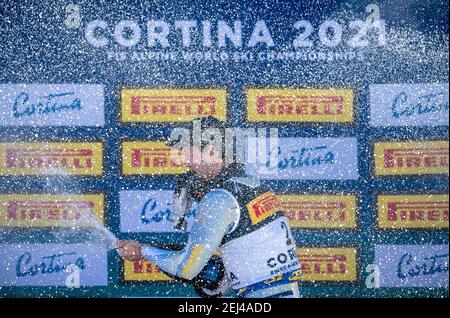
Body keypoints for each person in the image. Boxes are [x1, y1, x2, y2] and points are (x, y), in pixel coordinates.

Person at [117, 116, 301, 298]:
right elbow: (259, 256)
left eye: (190, 154)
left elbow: (186, 268)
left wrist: (143, 250)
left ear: (212, 152)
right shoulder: (253, 185)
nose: (186, 162)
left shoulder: (219, 198)